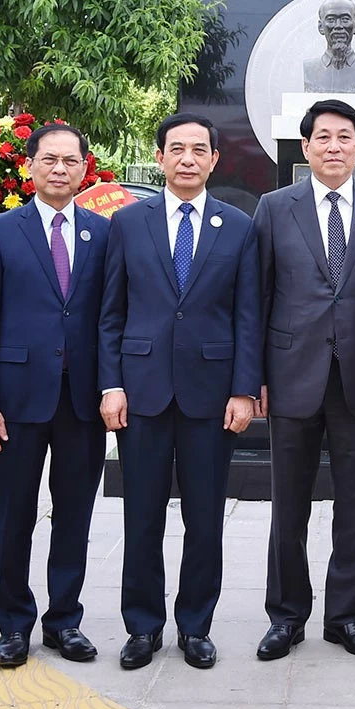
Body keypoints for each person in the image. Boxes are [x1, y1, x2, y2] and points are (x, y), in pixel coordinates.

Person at [100, 112, 262, 670]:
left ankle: (196, 625)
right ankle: (142, 627)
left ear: (214, 159)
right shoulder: (128, 223)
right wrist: (111, 384)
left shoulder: (239, 227)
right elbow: (110, 314)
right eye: (177, 148)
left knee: (204, 516)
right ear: (161, 157)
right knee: (141, 516)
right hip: (140, 393)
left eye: (199, 149)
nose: (187, 158)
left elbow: (248, 317)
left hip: (211, 395)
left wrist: (244, 390)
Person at [252, 99, 355, 661]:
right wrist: (254, 379)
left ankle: (345, 617)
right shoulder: (274, 208)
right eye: (323, 137)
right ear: (306, 146)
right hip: (291, 376)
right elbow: (258, 297)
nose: (334, 146)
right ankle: (287, 616)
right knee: (288, 505)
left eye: (345, 137)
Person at [0, 123, 112, 668]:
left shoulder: (103, 234)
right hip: (16, 401)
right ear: (30, 166)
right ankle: (13, 624)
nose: (59, 169)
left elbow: (108, 318)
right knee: (14, 515)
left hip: (83, 401)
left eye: (69, 161)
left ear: (84, 168)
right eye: (48, 159)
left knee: (75, 515)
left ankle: (64, 621)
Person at [303, 0, 355, 93]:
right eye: (331, 20)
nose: (338, 26)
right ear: (320, 27)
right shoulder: (310, 69)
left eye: (345, 20)